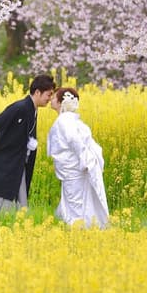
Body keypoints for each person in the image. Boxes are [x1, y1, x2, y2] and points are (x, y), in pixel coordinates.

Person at [0, 74, 56, 217]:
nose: (50, 98)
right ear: (38, 92)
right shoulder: (20, 108)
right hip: (4, 161)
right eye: (49, 94)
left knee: (14, 192)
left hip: (16, 161)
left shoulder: (32, 109)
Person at [46, 86, 109, 228]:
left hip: (73, 170)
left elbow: (75, 141)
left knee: (74, 204)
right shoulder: (72, 120)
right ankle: (83, 229)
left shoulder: (64, 120)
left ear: (61, 102)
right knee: (77, 202)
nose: (51, 99)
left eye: (54, 97)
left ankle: (78, 231)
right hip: (73, 168)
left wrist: (84, 159)